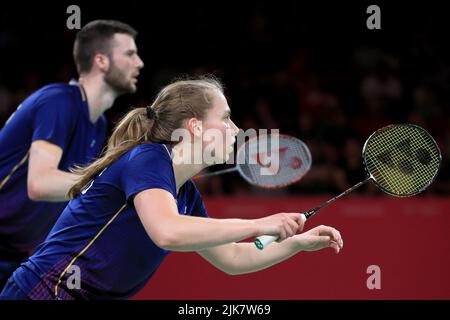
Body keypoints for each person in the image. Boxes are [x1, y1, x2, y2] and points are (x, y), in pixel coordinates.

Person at [0, 77, 343, 300]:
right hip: (45, 291)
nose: (237, 129)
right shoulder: (148, 159)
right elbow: (167, 232)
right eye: (225, 118)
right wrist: (260, 223)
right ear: (194, 126)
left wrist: (296, 244)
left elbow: (234, 257)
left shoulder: (186, 194)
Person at [0, 19, 144, 289]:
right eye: (129, 54)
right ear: (101, 60)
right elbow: (40, 184)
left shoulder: (97, 124)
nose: (139, 63)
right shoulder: (59, 102)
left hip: (16, 255)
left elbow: (71, 194)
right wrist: (113, 183)